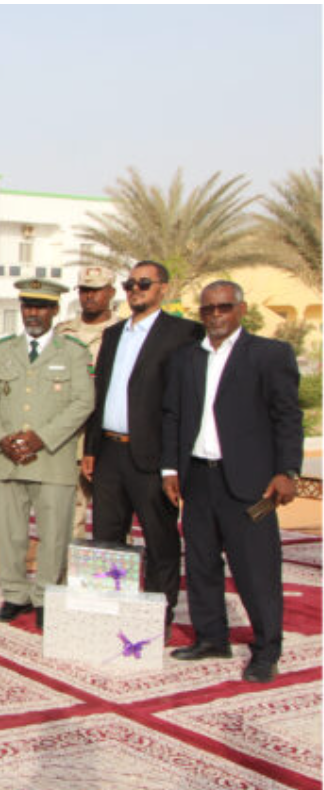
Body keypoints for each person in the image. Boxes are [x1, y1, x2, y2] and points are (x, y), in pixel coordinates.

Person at [162, 281, 302, 683]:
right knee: (202, 563)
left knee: (256, 569)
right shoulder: (186, 358)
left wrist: (287, 471)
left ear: (241, 309)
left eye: (224, 307)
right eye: (208, 309)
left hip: (249, 482)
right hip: (198, 476)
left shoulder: (269, 355)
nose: (216, 315)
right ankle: (211, 638)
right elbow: (172, 415)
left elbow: (287, 417)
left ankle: (266, 649)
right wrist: (169, 469)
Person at [82, 261, 201, 627]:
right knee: (107, 538)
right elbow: (99, 392)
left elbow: (187, 402)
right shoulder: (115, 333)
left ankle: (154, 618)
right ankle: (108, 613)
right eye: (130, 283)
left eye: (144, 283)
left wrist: (174, 462)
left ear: (163, 288)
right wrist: (90, 448)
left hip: (153, 456)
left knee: (160, 541)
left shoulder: (183, 333)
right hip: (110, 453)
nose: (135, 289)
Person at [0, 279, 94, 628]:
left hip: (52, 459)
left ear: (55, 310)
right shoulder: (0, 351)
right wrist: (1, 439)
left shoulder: (73, 352)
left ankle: (46, 596)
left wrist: (41, 438)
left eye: (41, 306)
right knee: (10, 532)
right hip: (8, 459)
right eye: (28, 306)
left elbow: (83, 402)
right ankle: (14, 594)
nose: (33, 313)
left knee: (54, 534)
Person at [57, 267, 124, 540]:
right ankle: (67, 578)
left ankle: (115, 579)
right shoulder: (62, 332)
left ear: (111, 292)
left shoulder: (123, 333)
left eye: (96, 290)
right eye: (84, 290)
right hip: (71, 435)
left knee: (114, 516)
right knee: (70, 514)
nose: (90, 297)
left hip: (109, 436)